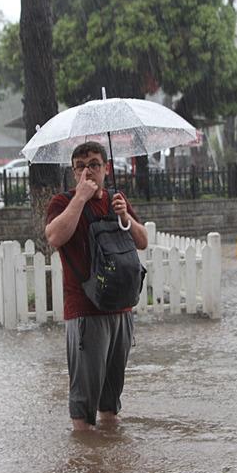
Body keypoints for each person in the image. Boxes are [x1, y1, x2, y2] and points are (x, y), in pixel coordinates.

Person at [45, 141, 148, 431]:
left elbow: (142, 241)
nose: (87, 171)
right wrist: (80, 199)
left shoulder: (117, 199)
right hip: (85, 312)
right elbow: (54, 237)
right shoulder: (62, 203)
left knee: (111, 403)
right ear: (73, 171)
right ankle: (87, 463)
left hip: (121, 308)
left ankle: (109, 466)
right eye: (80, 166)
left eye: (93, 164)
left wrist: (125, 216)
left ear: (106, 168)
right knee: (84, 407)